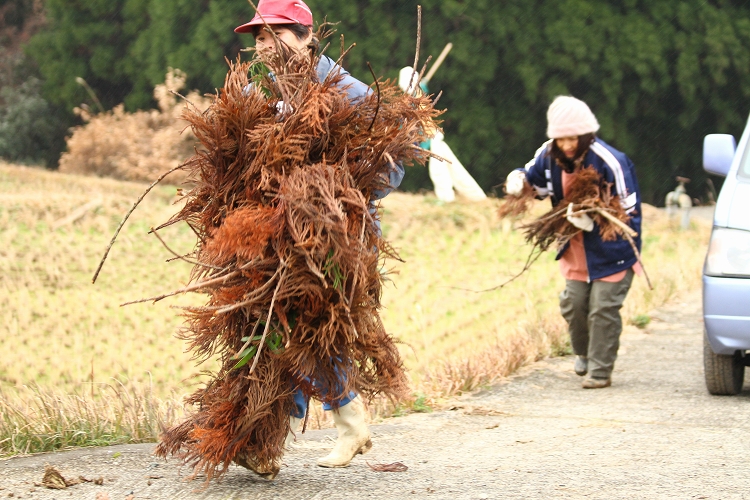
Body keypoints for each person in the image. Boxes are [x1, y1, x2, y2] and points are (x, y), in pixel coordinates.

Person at [234, 0, 404, 468]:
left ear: (307, 36)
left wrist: (334, 194)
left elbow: (393, 168)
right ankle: (315, 429)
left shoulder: (348, 92)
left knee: (310, 324)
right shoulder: (255, 93)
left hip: (338, 236)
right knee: (276, 326)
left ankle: (312, 430)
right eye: (259, 38)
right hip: (276, 230)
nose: (265, 45)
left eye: (275, 34)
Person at [505, 96, 642, 389]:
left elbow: (629, 212)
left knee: (603, 307)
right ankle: (584, 352)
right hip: (575, 248)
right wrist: (518, 182)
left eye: (573, 138)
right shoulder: (548, 154)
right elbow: (533, 183)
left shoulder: (610, 160)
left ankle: (601, 371)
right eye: (561, 138)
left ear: (586, 135)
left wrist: (596, 220)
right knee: (574, 304)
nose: (567, 145)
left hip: (612, 250)